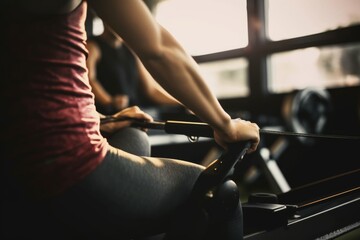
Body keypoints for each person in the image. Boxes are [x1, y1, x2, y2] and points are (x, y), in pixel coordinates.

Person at [0, 0, 260, 239]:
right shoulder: (97, 47)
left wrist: (103, 120)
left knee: (134, 133)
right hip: (61, 171)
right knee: (219, 194)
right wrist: (225, 124)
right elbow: (159, 49)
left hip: (12, 172)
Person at [86, 24, 180, 115]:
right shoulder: (92, 46)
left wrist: (181, 103)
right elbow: (89, 80)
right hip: (112, 115)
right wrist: (110, 101)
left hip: (136, 112)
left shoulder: (130, 49)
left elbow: (151, 90)